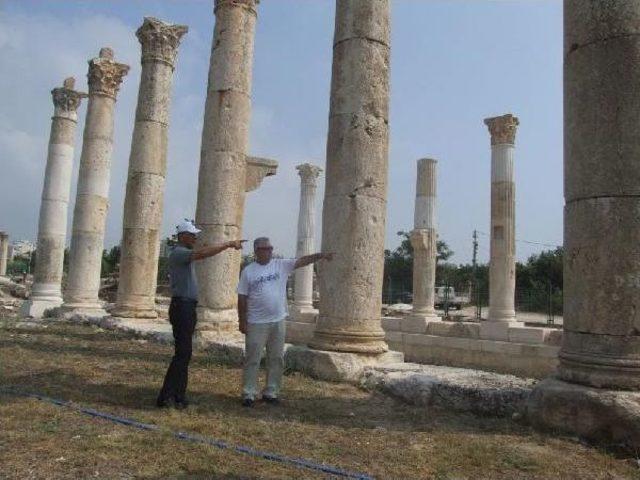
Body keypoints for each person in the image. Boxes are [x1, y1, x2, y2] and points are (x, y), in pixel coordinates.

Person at [157, 220, 244, 409]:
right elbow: (203, 253)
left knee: (185, 353)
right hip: (182, 307)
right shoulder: (179, 253)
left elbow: (202, 250)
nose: (196, 238)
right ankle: (167, 396)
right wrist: (228, 244)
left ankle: (178, 395)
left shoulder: (182, 253)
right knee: (182, 353)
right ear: (183, 236)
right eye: (192, 235)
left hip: (186, 307)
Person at [237, 237, 333, 407]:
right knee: (253, 358)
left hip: (278, 320)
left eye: (271, 248)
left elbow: (302, 261)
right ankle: (248, 393)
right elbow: (242, 297)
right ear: (257, 251)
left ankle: (271, 391)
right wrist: (242, 321)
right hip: (256, 322)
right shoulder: (248, 271)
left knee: (276, 358)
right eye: (266, 248)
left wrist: (321, 255)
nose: (270, 251)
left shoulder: (280, 265)